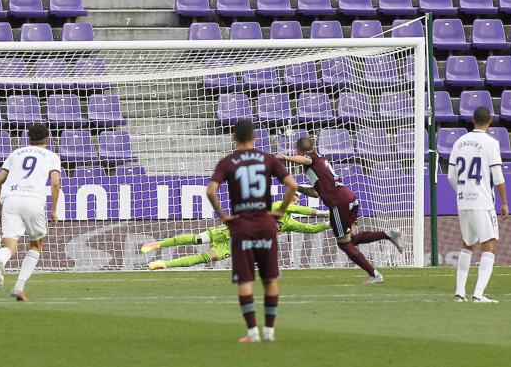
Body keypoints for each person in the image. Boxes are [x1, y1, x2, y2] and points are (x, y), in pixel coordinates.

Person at [206, 119, 297, 343]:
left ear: (234, 138)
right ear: (255, 137)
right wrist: (280, 211)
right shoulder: (268, 159)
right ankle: (270, 332)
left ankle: (252, 333)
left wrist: (224, 216)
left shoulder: (227, 162)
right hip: (266, 224)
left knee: (246, 280)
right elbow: (292, 186)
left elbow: (211, 191)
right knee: (269, 279)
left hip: (242, 226)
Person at [276, 138, 403, 284]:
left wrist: (285, 157)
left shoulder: (311, 159)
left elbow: (306, 160)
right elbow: (315, 193)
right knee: (351, 240)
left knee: (343, 243)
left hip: (338, 203)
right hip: (349, 198)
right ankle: (388, 234)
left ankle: (374, 274)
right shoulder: (320, 162)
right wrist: (296, 186)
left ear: (298, 150)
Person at [141, 193, 330, 270]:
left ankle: (164, 263)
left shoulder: (288, 224)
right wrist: (322, 212)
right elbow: (301, 211)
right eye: (293, 198)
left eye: (296, 198)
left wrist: (330, 224)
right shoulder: (278, 205)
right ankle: (158, 244)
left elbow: (310, 229)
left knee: (204, 258)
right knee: (197, 240)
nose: (294, 201)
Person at [0, 124, 61, 302]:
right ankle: (19, 286)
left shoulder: (15, 154)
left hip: (11, 200)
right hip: (33, 201)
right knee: (35, 245)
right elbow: (55, 184)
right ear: (47, 139)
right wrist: (53, 210)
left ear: (28, 139)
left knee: (9, 247)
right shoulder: (52, 156)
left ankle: (1, 259)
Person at [448, 106, 508, 303]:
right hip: (483, 202)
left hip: (464, 200)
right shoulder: (490, 143)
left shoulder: (459, 142)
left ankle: (459, 292)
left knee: (468, 244)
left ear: (473, 120)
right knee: (489, 246)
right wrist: (505, 203)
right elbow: (498, 176)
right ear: (490, 120)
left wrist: (463, 192)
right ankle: (478, 294)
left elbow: (451, 176)